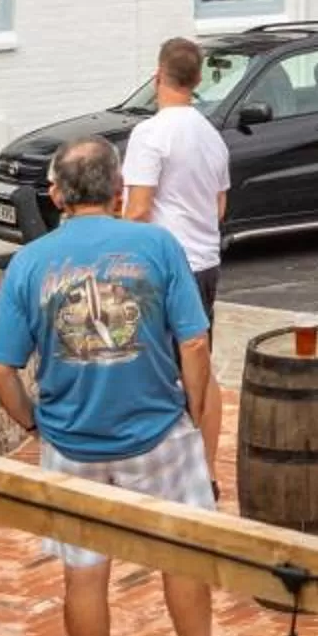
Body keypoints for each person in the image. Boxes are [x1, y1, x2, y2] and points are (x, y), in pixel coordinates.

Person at [0, 138, 254, 636]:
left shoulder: (30, 263)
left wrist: (34, 427)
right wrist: (192, 406)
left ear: (55, 195)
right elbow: (194, 342)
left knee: (84, 574)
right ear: (116, 190)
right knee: (181, 556)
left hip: (72, 443)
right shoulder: (157, 245)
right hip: (157, 428)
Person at [119, 36, 231, 460]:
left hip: (164, 267)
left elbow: (138, 210)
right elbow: (220, 206)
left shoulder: (149, 134)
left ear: (158, 76)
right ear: (198, 79)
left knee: (158, 371)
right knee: (201, 365)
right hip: (206, 263)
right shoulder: (211, 136)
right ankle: (207, 471)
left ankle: (165, 465)